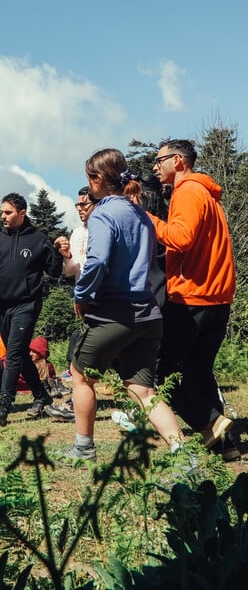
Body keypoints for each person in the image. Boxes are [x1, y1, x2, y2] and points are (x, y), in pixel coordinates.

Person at [64, 148, 185, 465]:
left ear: (98, 179)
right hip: (148, 312)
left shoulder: (103, 214)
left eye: (89, 180)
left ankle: (83, 448)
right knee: (143, 391)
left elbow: (98, 261)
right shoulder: (141, 215)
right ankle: (185, 454)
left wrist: (81, 294)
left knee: (80, 376)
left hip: (113, 313)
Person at [149, 139, 237, 454]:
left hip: (192, 297)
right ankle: (226, 446)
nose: (155, 167)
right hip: (218, 297)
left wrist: (149, 219)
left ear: (179, 161)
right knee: (198, 370)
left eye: (159, 161)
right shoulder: (208, 195)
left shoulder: (186, 192)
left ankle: (209, 422)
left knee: (163, 374)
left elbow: (180, 238)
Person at [0, 192, 71, 426]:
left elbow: (54, 271)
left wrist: (58, 250)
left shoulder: (38, 239)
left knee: (12, 353)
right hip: (4, 306)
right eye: (2, 212)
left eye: (8, 212)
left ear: (22, 213)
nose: (3, 216)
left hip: (27, 304)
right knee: (21, 355)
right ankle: (42, 396)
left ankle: (3, 407)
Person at [55, 186, 97, 377]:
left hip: (102, 294)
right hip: (83, 295)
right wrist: (66, 255)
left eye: (84, 204)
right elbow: (71, 270)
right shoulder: (78, 232)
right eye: (77, 204)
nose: (80, 208)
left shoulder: (103, 228)